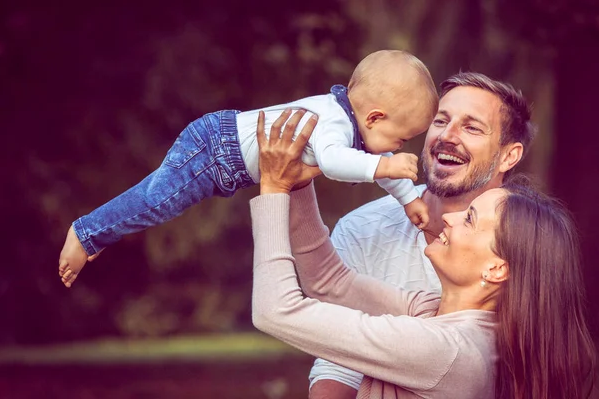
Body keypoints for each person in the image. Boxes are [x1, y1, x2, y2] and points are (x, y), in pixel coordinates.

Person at [250, 109, 596, 399]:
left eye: (470, 219)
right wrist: (296, 181)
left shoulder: (444, 350)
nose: (449, 217)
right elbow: (329, 281)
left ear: (496, 269)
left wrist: (273, 189)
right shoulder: (436, 314)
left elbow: (276, 311)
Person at [58, 49, 438, 288]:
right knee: (157, 200)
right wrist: (386, 166)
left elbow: (357, 164)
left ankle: (102, 232)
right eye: (400, 139)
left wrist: (408, 200)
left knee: (156, 198)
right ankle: (87, 232)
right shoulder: (334, 123)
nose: (398, 148)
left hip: (220, 153)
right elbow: (336, 163)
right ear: (374, 117)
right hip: (213, 149)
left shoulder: (348, 125)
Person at [308, 71, 541, 398]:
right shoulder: (362, 228)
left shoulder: (528, 251)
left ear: (508, 155)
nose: (447, 135)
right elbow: (335, 360)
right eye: (440, 121)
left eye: (471, 127)